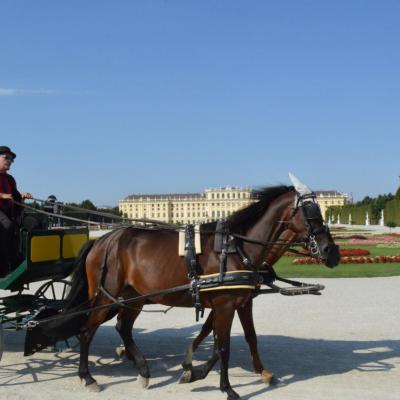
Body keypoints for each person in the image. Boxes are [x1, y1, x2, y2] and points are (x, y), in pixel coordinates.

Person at [0, 146, 32, 277]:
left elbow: (16, 196)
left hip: (10, 212)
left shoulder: (10, 179)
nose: (9, 161)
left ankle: (21, 261)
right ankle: (2, 268)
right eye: (6, 157)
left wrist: (23, 195)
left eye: (11, 159)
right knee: (7, 226)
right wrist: (2, 195)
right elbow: (7, 196)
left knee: (33, 223)